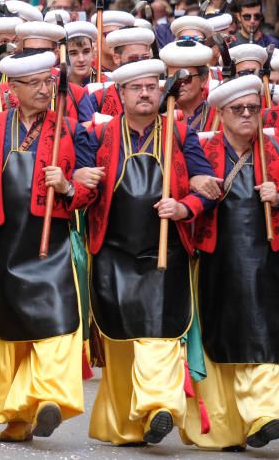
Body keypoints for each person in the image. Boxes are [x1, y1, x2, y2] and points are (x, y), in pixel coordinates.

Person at [74, 58, 214, 446]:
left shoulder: (180, 133)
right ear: (120, 94)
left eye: (152, 86)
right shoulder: (96, 135)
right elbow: (83, 189)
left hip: (165, 252)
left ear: (160, 91)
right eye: (136, 88)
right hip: (113, 251)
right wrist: (74, 182)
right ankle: (124, 426)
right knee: (121, 340)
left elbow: (206, 188)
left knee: (161, 332)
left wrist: (185, 206)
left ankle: (160, 407)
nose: (146, 93)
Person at [0, 50, 87, 442]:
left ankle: (49, 398)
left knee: (56, 321)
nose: (44, 90)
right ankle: (18, 415)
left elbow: (90, 188)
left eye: (48, 82)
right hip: (3, 242)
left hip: (49, 243)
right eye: (34, 83)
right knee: (11, 330)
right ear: (12, 88)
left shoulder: (69, 128)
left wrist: (70, 184)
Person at [182, 75, 279, 450]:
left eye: (252, 109)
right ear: (220, 113)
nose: (245, 115)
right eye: (237, 109)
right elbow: (181, 190)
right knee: (220, 337)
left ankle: (264, 412)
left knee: (263, 335)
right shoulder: (203, 152)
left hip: (266, 258)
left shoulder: (273, 150)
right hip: (216, 258)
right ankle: (224, 429)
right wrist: (192, 191)